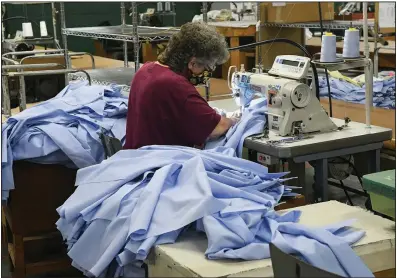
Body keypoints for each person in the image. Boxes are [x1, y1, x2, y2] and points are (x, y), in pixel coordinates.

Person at [124, 22, 239, 150]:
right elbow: (218, 127)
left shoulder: (145, 69)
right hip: (159, 162)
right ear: (192, 63)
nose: (205, 72)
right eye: (206, 67)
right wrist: (234, 120)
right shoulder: (175, 85)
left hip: (135, 156)